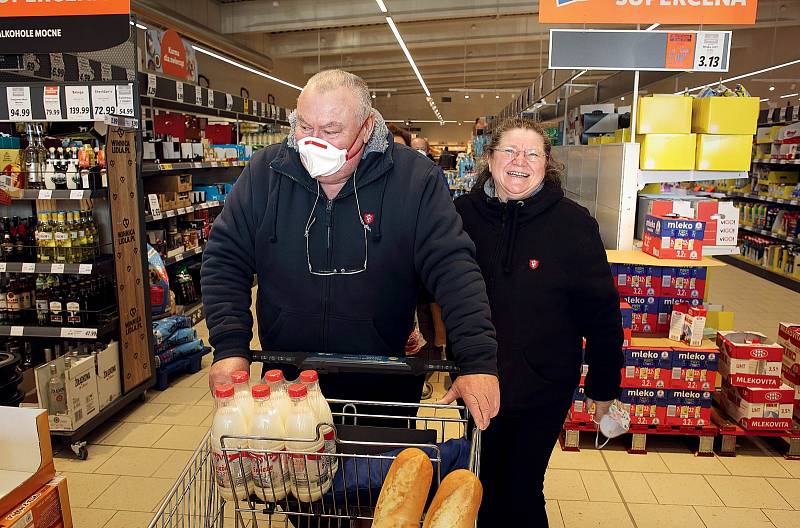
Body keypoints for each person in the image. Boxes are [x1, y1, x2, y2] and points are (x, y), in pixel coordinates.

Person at [201, 69, 500, 433]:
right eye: (304, 127)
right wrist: (231, 346)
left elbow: (454, 270)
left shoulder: (414, 180)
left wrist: (477, 362)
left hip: (383, 382)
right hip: (289, 384)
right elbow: (224, 257)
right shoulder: (267, 172)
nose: (313, 142)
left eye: (330, 131)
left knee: (376, 488)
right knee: (294, 484)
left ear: (367, 126)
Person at [454, 117, 624, 527]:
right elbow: (425, 281)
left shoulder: (573, 223)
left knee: (524, 487)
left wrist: (603, 385)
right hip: (477, 380)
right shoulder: (459, 216)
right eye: (509, 151)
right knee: (482, 482)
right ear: (489, 158)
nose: (520, 161)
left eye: (532, 153)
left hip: (545, 384)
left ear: (546, 163)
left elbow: (601, 310)